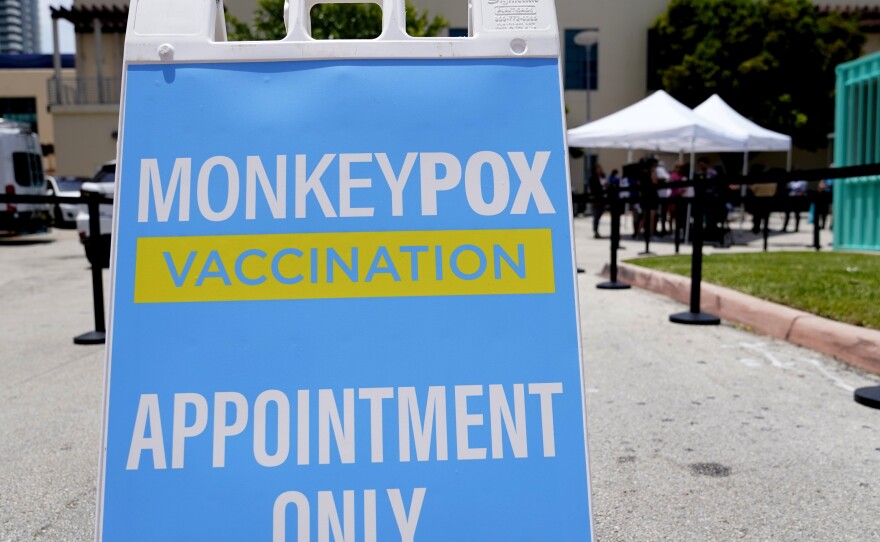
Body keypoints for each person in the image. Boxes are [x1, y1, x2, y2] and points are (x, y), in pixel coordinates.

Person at [588, 163, 607, 238]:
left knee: (599, 215)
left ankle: (596, 230)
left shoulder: (602, 177)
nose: (600, 170)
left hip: (602, 199)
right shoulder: (593, 178)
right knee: (596, 216)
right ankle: (595, 231)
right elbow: (593, 188)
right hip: (596, 200)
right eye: (598, 168)